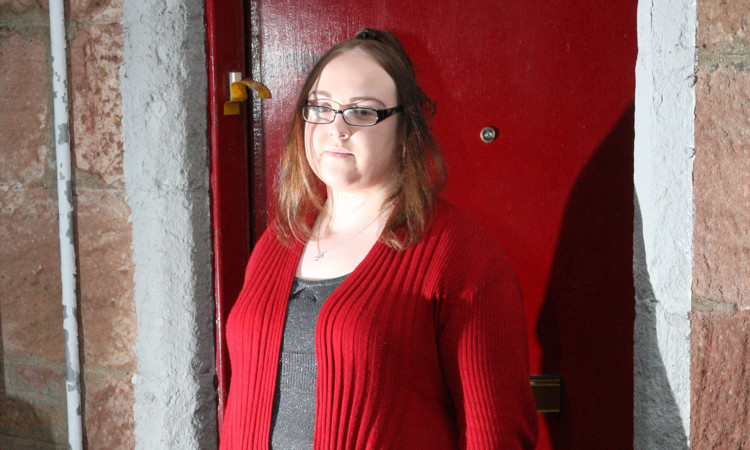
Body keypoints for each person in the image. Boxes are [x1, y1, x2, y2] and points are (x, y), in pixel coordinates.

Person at [220, 29, 538, 449]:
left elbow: (495, 436)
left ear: (404, 127)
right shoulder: (276, 244)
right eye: (321, 107)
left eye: (362, 113)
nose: (336, 129)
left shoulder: (459, 254)